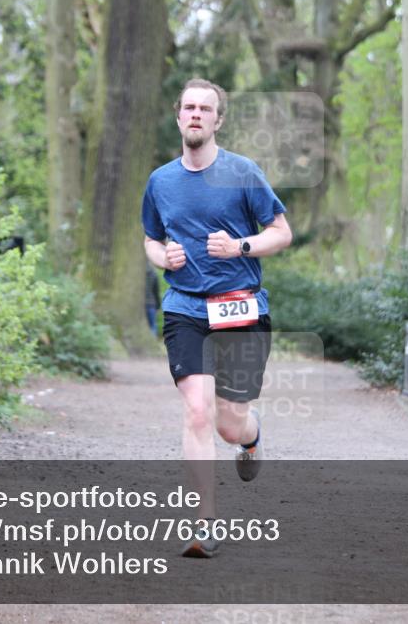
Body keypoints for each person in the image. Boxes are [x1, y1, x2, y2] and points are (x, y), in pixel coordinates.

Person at [141, 78, 292, 557]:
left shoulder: (243, 173)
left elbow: (281, 232)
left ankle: (251, 435)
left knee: (229, 423)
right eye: (189, 107)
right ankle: (203, 524)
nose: (196, 114)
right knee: (197, 410)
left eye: (206, 108)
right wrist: (162, 256)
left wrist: (241, 246)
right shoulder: (160, 181)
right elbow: (149, 237)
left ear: (218, 120)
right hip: (185, 307)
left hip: (241, 305)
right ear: (177, 115)